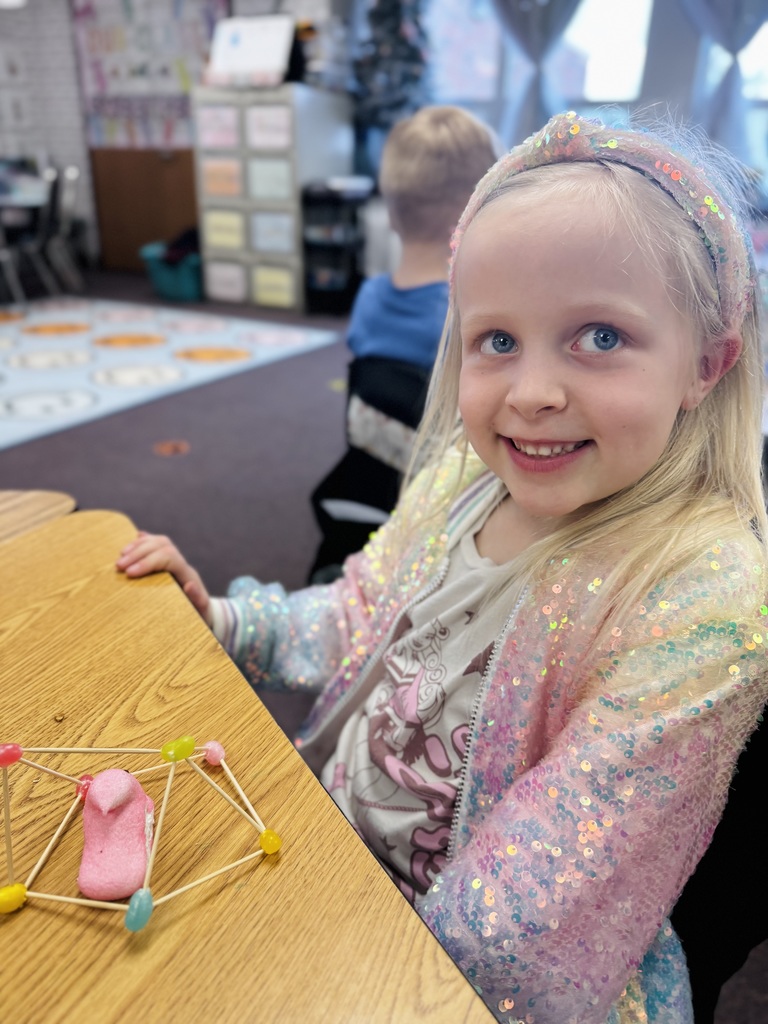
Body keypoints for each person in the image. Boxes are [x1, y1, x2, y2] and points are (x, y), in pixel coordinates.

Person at [116, 111, 768, 1024]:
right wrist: (229, 621)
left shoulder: (701, 590)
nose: (532, 394)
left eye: (601, 338)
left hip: (446, 977)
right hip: (322, 861)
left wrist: (329, 964)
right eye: (496, 341)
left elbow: (531, 917)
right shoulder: (466, 478)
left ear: (707, 363)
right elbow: (352, 615)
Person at [307, 104, 501, 583]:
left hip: (370, 471)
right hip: (448, 496)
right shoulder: (469, 320)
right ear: (476, 211)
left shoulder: (368, 299)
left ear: (392, 216)